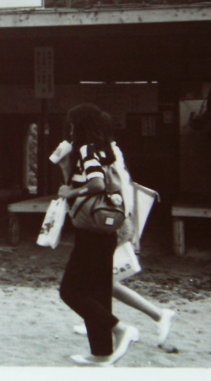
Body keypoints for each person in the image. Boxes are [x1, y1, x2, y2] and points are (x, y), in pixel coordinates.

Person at [70, 113, 176, 347]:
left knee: (96, 282)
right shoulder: (110, 151)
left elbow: (100, 187)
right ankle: (109, 320)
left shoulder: (96, 154)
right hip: (118, 219)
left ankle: (134, 319)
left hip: (109, 222)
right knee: (101, 280)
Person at [57, 103, 139, 366]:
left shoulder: (86, 150)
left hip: (90, 230)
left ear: (80, 126)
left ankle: (118, 329)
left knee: (69, 290)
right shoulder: (105, 150)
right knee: (98, 291)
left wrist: (71, 193)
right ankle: (102, 353)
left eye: (72, 124)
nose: (70, 129)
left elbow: (96, 184)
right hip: (105, 229)